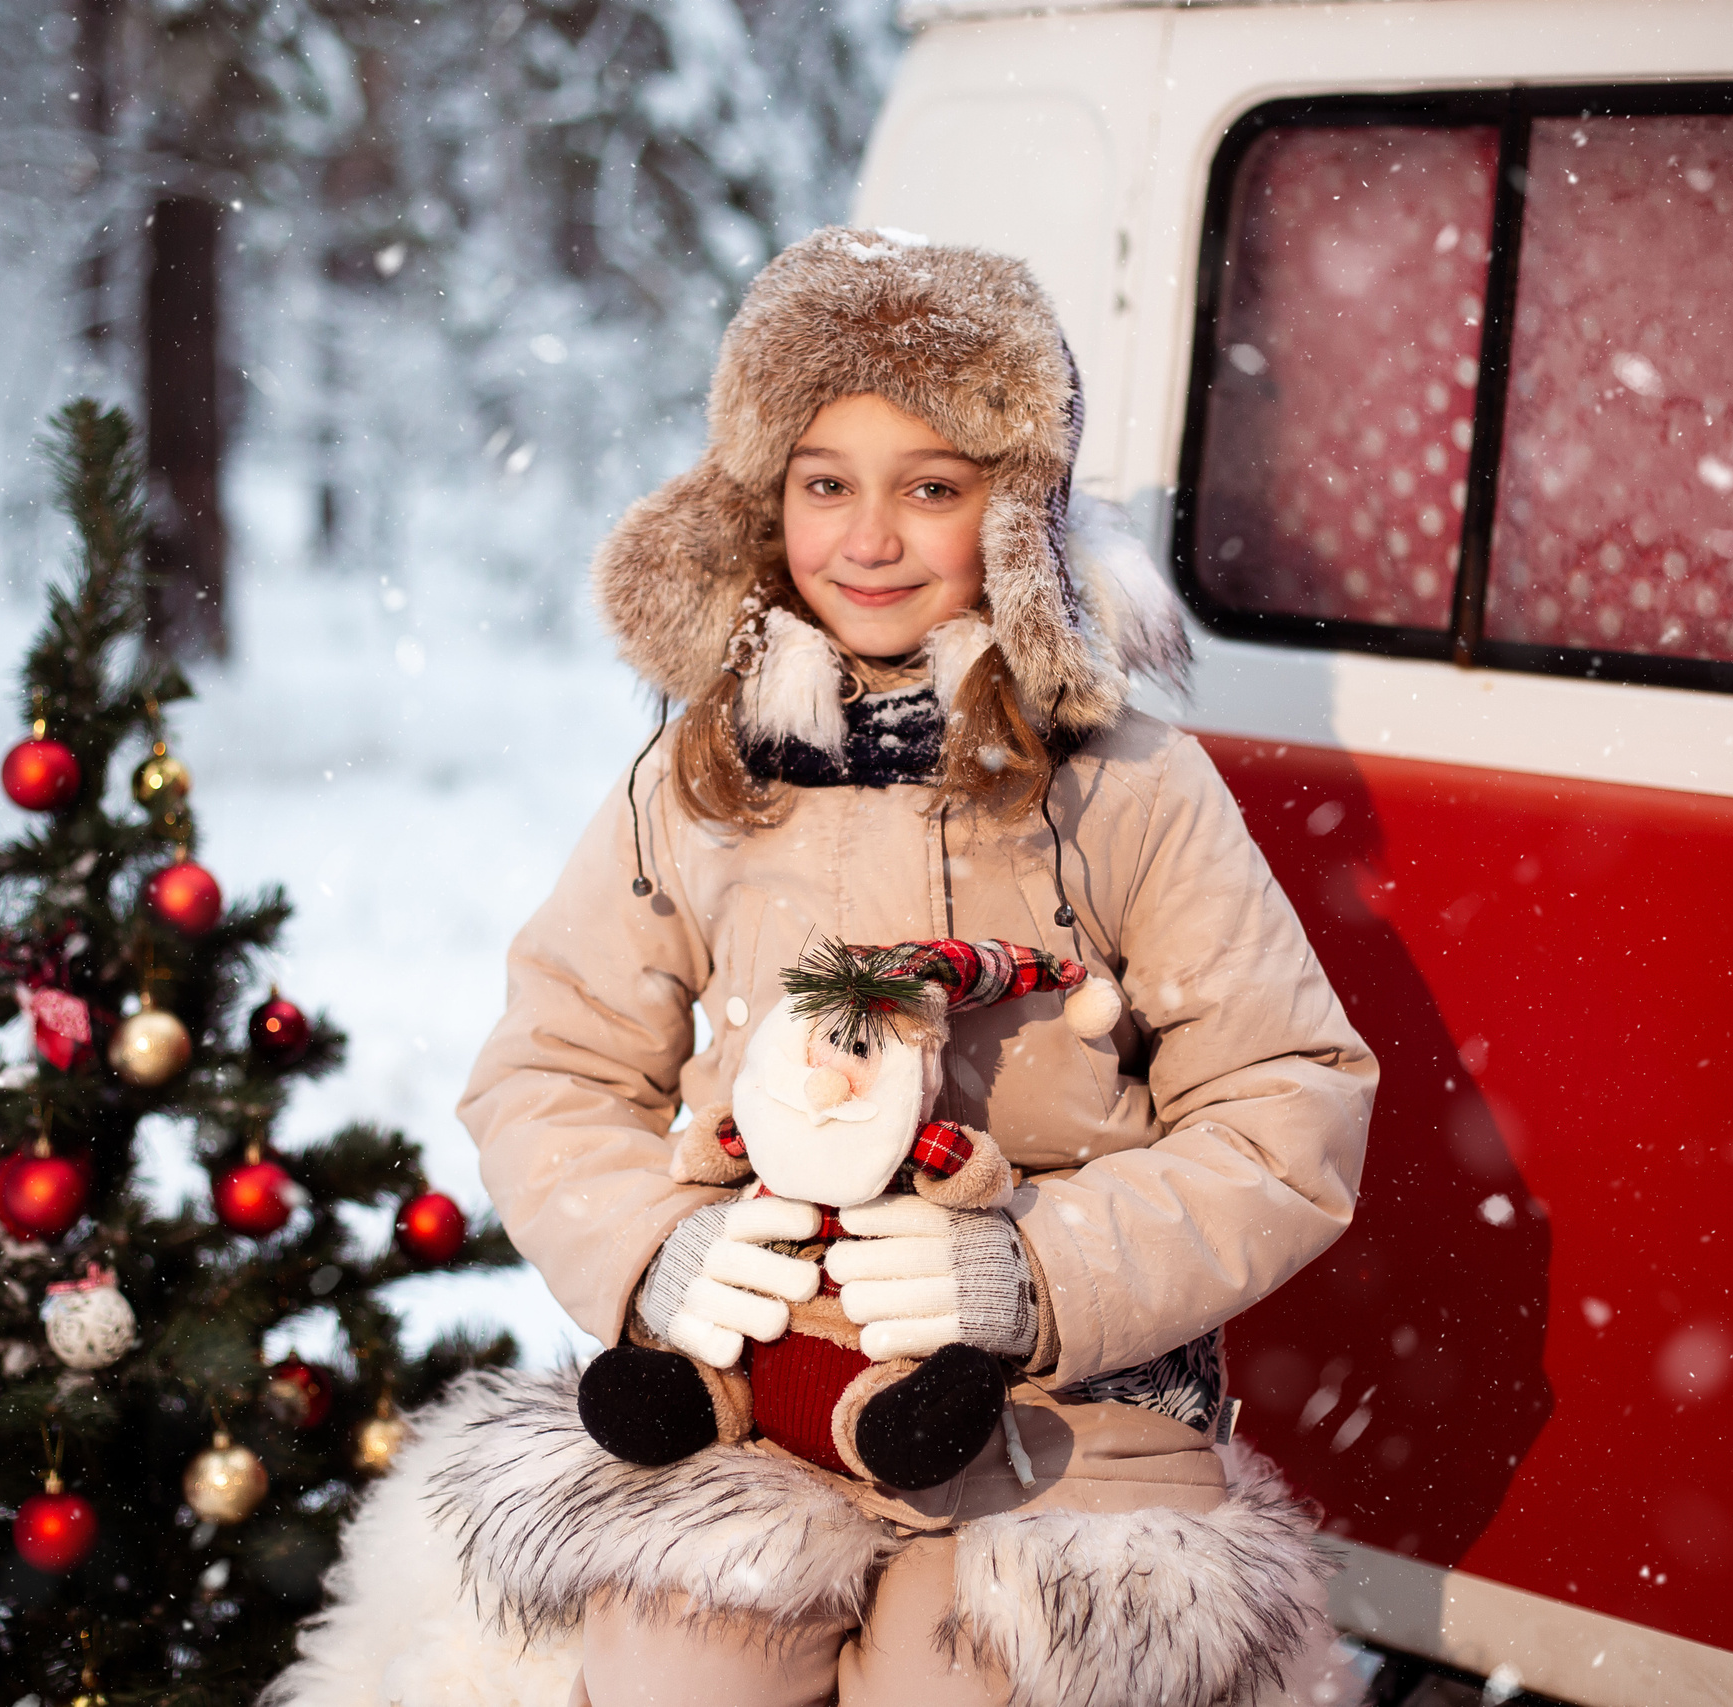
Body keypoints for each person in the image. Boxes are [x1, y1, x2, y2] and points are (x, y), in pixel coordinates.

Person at [450, 227, 1378, 1707]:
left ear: (1016, 514)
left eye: (931, 489)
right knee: (670, 1671)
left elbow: (1287, 1105)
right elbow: (549, 1069)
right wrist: (653, 1249)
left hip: (1065, 1410)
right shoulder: (695, 782)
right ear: (762, 500)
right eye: (825, 484)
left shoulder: (1131, 787)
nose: (868, 540)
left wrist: (1040, 1275)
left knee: (961, 1680)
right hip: (765, 1391)